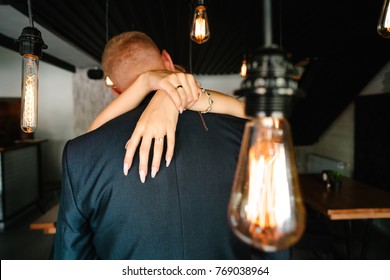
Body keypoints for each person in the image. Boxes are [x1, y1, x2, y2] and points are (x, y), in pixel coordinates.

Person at [53, 31, 288, 259]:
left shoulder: (80, 154)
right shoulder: (251, 136)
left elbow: (72, 258)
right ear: (168, 61)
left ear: (116, 90)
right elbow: (275, 240)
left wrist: (154, 88)